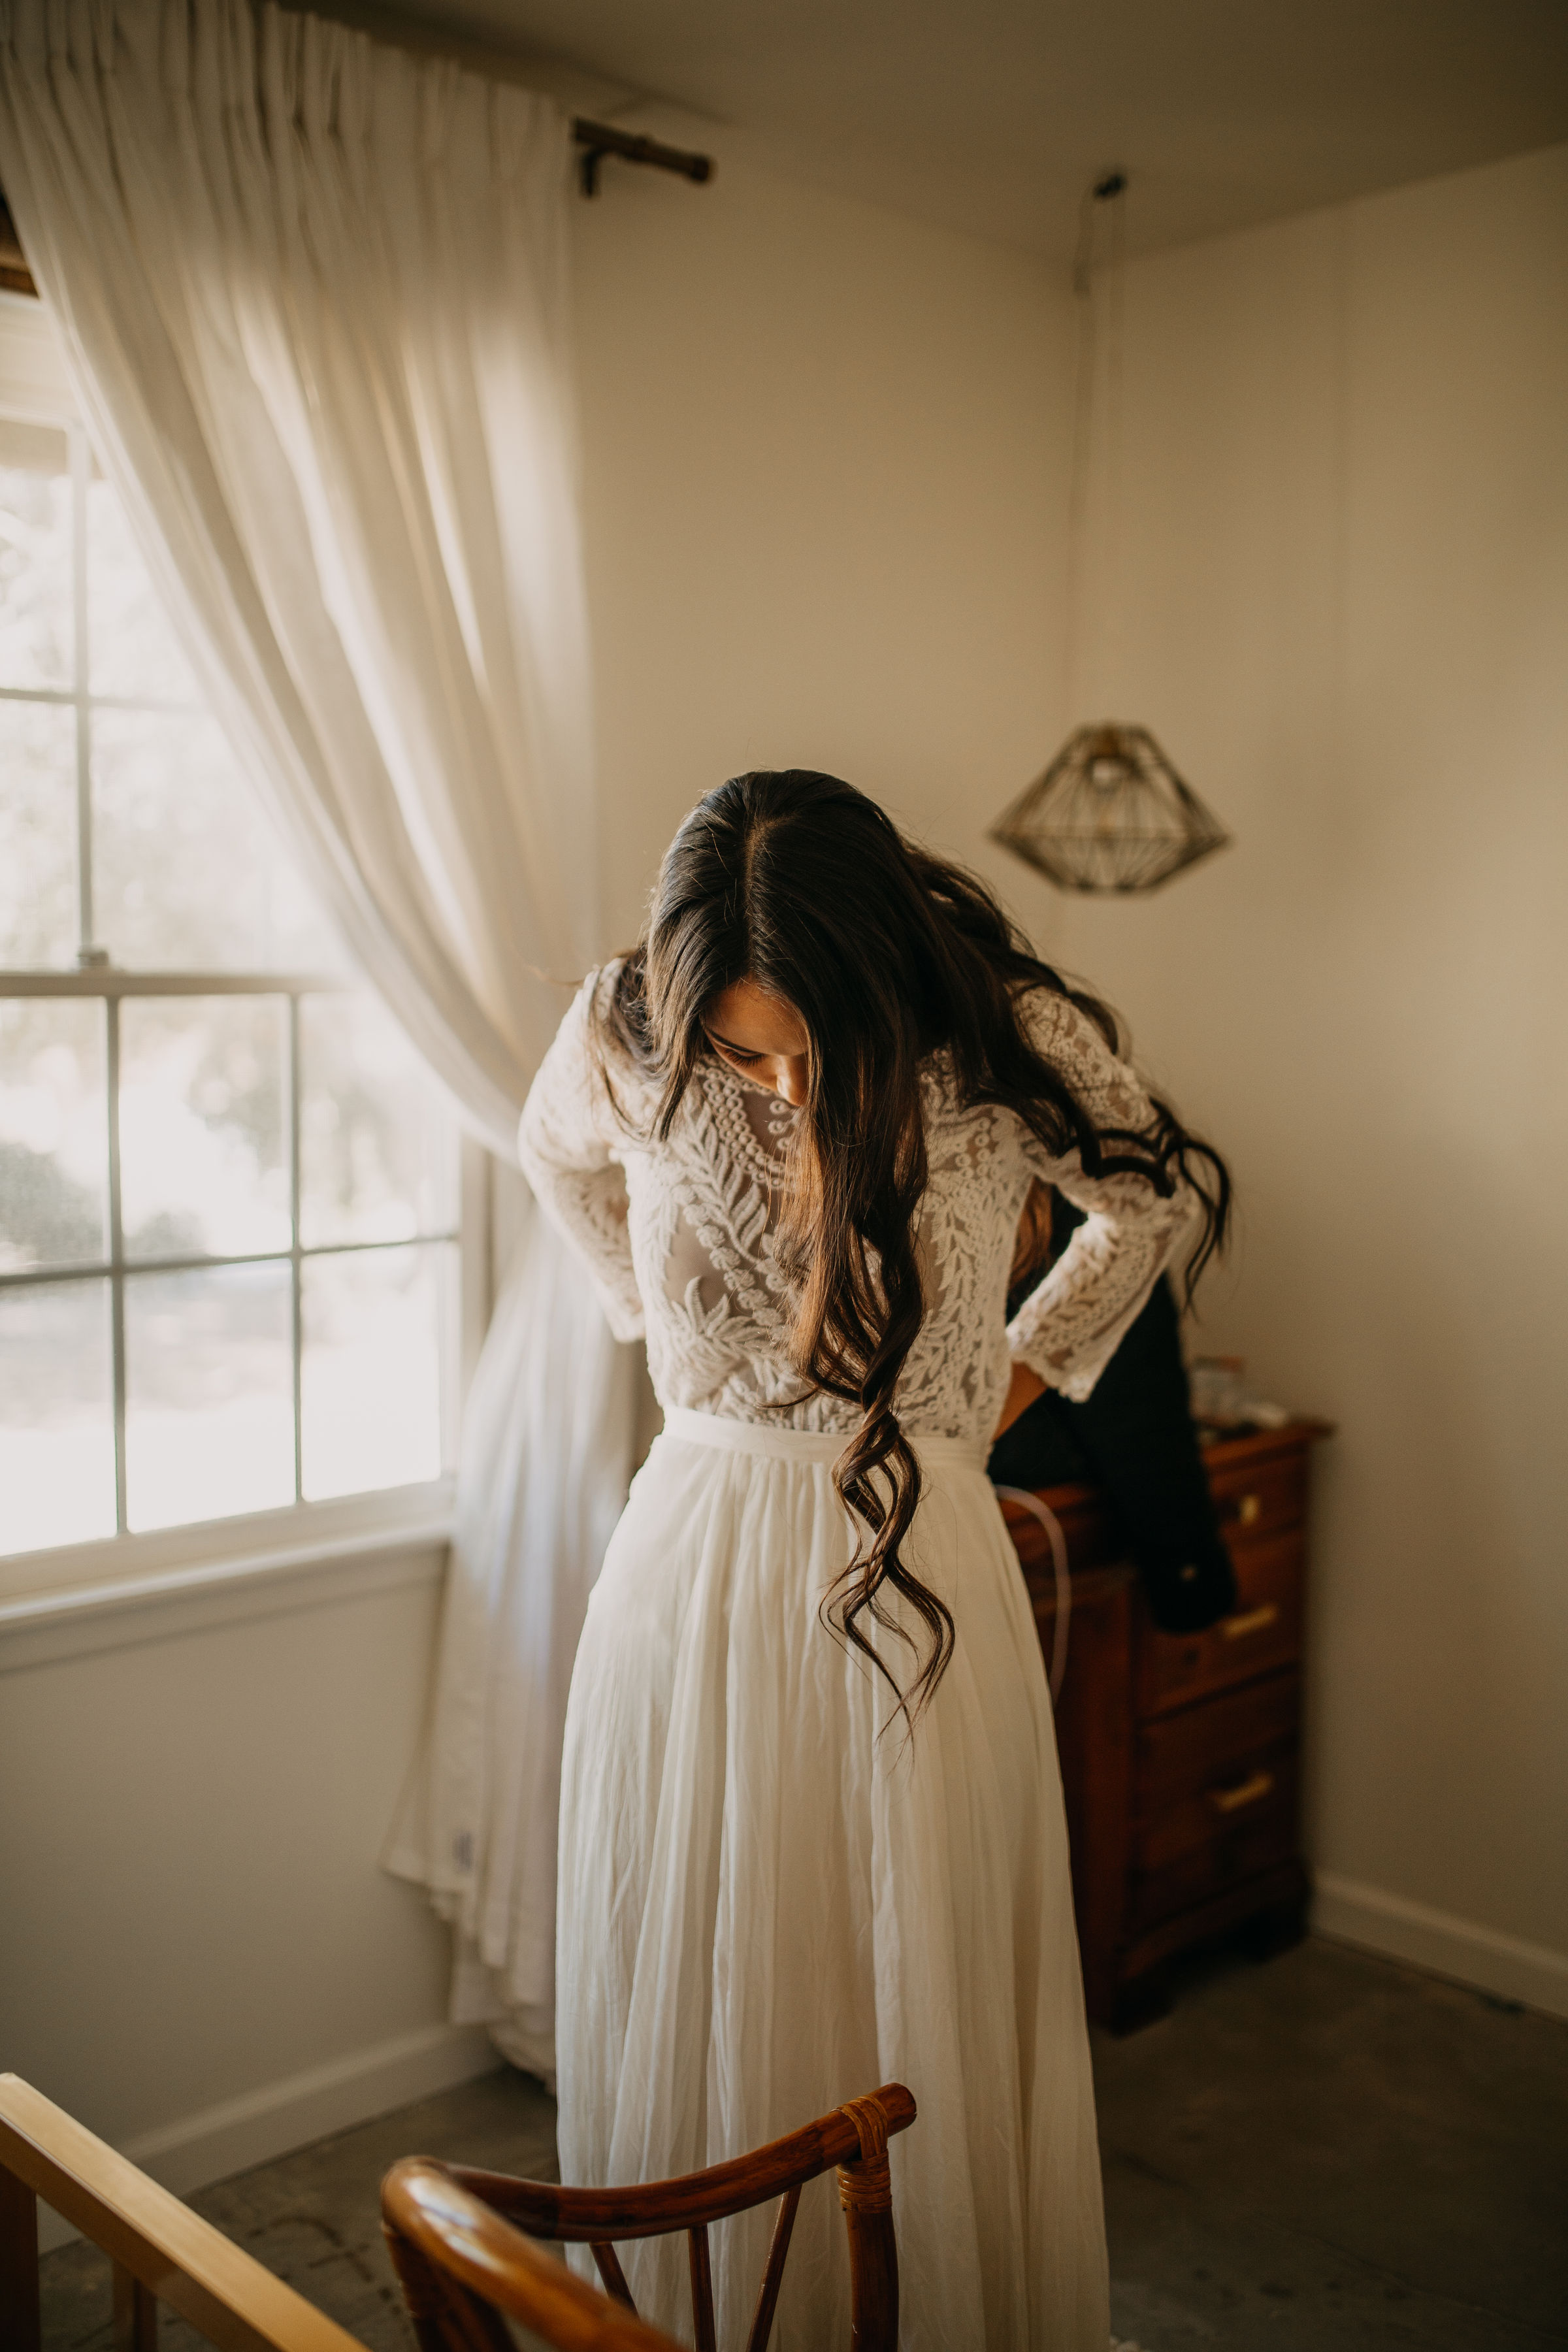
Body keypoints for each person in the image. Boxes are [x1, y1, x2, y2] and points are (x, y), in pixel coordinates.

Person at [518, 769, 1229, 2349]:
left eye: (807, 1046)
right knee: (704, 1956)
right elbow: (551, 1158)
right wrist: (654, 1324)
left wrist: (1015, 1367)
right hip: (693, 1564)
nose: (776, 1085)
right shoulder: (624, 1032)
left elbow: (1144, 1196)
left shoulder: (1002, 1038)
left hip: (927, 1554)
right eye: (740, 1050)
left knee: (912, 1959)